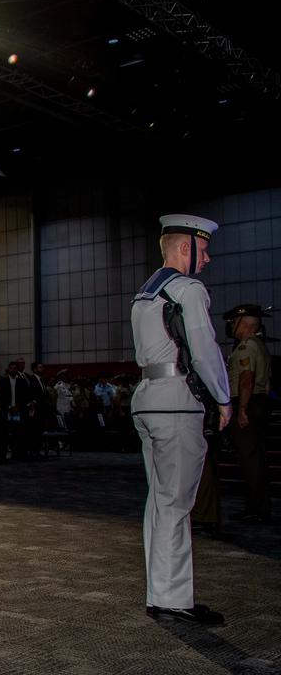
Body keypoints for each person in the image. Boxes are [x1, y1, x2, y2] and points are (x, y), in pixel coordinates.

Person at [130, 214, 230, 626]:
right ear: (185, 248)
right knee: (175, 503)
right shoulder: (187, 289)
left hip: (147, 399)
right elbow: (203, 349)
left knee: (159, 501)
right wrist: (223, 397)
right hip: (176, 402)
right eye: (203, 250)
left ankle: (161, 593)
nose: (206, 259)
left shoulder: (145, 293)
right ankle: (173, 600)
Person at [223, 303, 272, 524]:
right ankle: (259, 506)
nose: (232, 326)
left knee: (249, 459)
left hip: (248, 403)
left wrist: (242, 410)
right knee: (257, 458)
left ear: (244, 324)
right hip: (259, 402)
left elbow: (246, 379)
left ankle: (255, 508)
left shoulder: (245, 347)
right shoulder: (259, 345)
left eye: (234, 322)